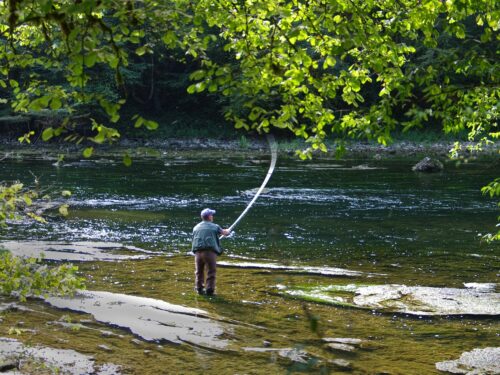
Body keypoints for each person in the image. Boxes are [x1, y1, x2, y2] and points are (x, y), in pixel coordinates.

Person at [192, 208, 230, 295]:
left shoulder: (196, 227)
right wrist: (227, 231)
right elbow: (225, 233)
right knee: (211, 271)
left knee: (199, 271)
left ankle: (199, 289)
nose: (212, 217)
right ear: (209, 217)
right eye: (212, 215)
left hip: (197, 253)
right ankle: (209, 290)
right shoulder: (215, 226)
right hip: (209, 253)